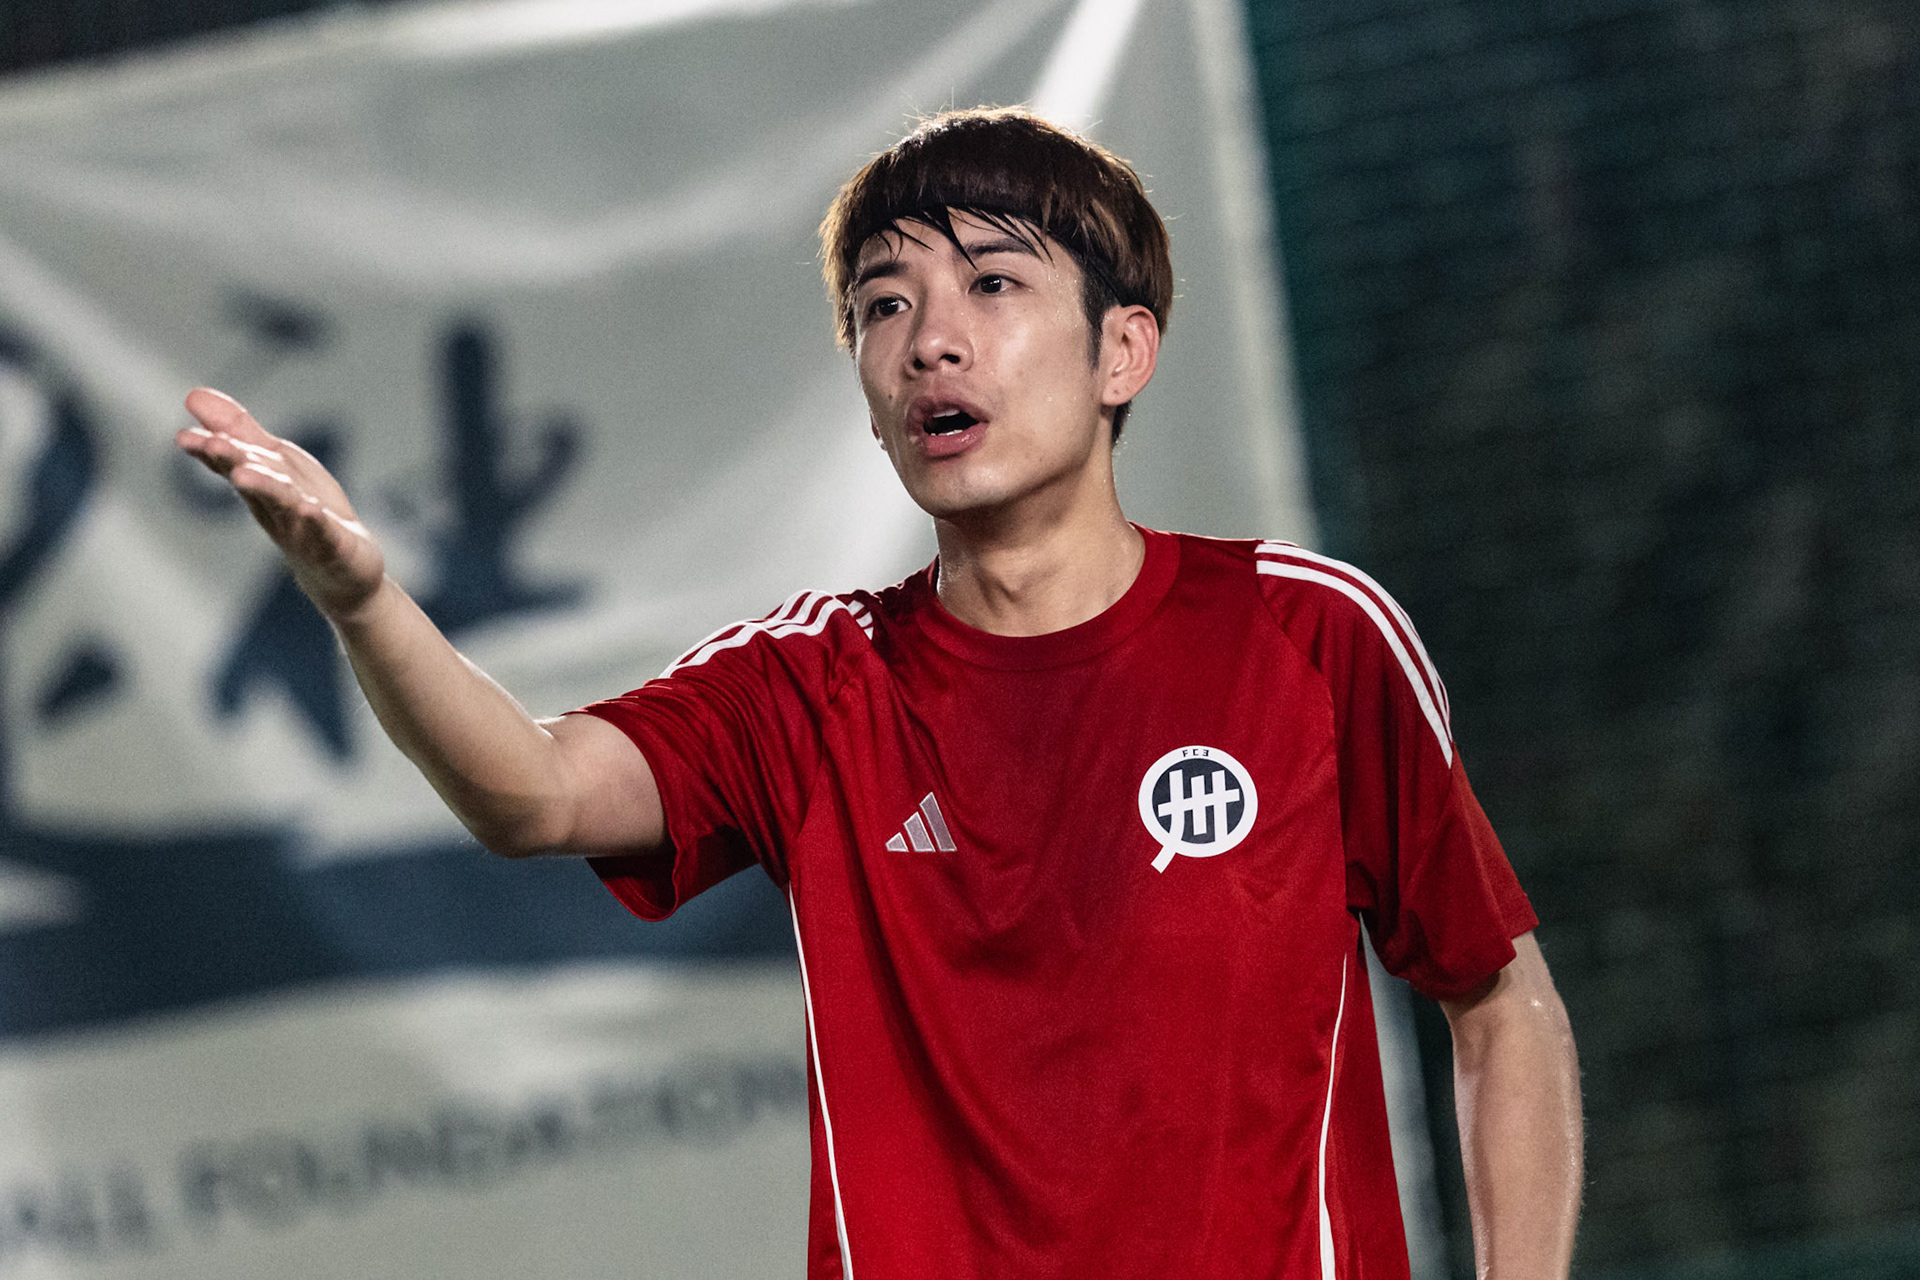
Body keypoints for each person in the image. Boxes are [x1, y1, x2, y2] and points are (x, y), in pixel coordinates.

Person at [178, 107, 1581, 1279]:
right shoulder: (812, 684)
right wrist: (363, 600)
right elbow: (534, 791)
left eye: (992, 285)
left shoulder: (1311, 638)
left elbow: (1497, 997)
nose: (929, 342)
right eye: (883, 305)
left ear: (1122, 353)